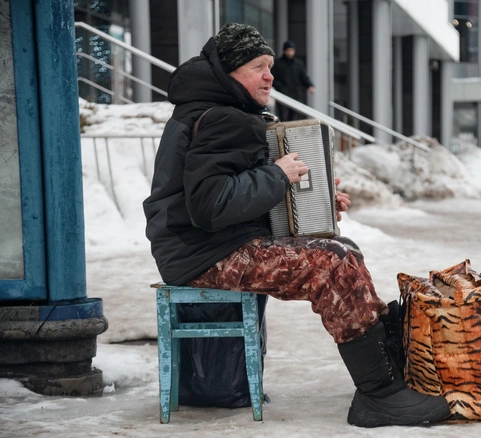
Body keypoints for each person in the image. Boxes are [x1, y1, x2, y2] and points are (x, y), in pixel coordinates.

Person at [142, 23, 449, 428]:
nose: (270, 75)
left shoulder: (219, 112)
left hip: (208, 246)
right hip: (203, 255)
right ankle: (381, 396)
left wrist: (317, 203)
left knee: (344, 249)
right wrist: (278, 175)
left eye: (270, 65)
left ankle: (386, 374)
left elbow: (235, 194)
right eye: (258, 66)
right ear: (229, 71)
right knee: (333, 264)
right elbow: (210, 206)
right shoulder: (219, 118)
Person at [271, 40, 315, 121]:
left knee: (292, 117)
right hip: (282, 94)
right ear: (284, 50)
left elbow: (303, 77)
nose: (290, 52)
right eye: (288, 50)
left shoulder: (298, 64)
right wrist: (280, 87)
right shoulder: (277, 63)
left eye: (292, 50)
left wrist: (310, 85)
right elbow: (273, 78)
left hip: (295, 94)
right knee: (282, 115)